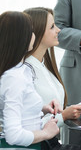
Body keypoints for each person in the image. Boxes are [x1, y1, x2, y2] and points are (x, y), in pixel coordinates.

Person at [24, 8, 81, 134]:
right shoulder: (24, 72)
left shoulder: (45, 68)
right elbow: (26, 128)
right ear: (37, 32)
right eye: (52, 26)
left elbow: (54, 110)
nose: (58, 30)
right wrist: (64, 116)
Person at [0, 11, 59, 148]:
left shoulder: (21, 70)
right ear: (21, 37)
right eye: (31, 31)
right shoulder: (14, 77)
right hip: (33, 146)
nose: (34, 35)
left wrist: (42, 109)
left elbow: (18, 111)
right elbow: (13, 135)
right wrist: (46, 133)